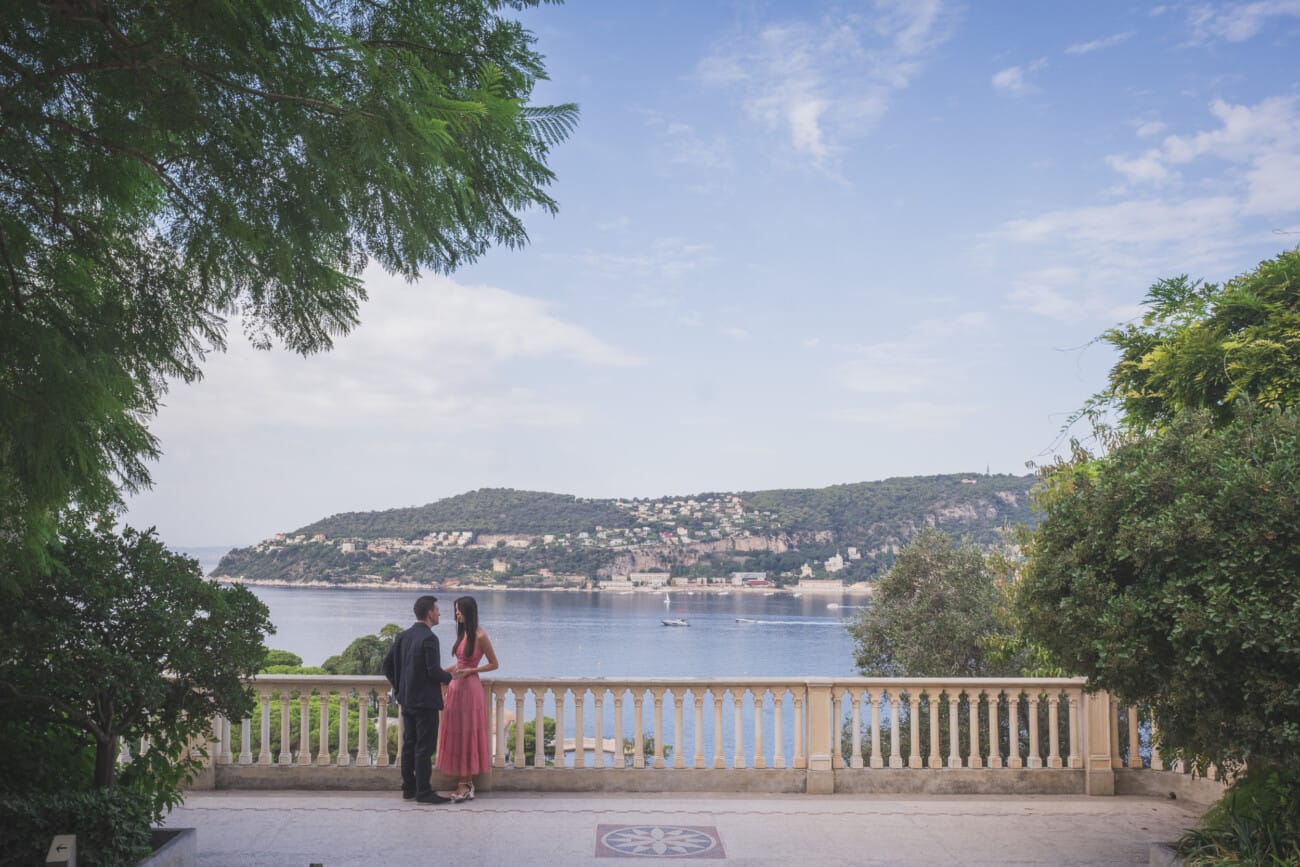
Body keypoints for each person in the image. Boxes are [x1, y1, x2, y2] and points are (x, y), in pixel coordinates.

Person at [381, 595, 453, 804]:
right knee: (424, 748)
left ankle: (408, 788)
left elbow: (387, 666)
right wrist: (450, 677)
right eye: (437, 610)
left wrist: (400, 688)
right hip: (426, 703)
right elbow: (433, 672)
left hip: (407, 701)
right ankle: (423, 791)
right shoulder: (430, 638)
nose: (439, 613)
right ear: (430, 613)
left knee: (409, 745)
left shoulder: (403, 636)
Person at [436, 595, 499, 802]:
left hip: (470, 689)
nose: (456, 614)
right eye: (455, 610)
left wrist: (471, 670)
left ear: (469, 612)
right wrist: (440, 674)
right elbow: (459, 663)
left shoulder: (480, 635)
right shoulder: (463, 634)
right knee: (456, 732)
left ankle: (466, 783)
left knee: (467, 733)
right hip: (456, 688)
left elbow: (493, 663)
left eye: (459, 610)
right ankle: (463, 782)